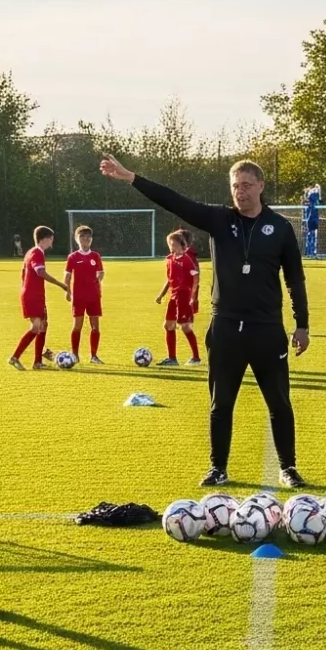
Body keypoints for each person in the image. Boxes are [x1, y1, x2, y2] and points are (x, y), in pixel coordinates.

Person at [99, 154, 309, 488]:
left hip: (267, 331)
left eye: (246, 185)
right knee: (220, 403)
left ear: (261, 186)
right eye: (235, 186)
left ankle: (289, 467)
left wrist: (302, 323)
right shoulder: (219, 220)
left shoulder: (281, 228)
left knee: (279, 402)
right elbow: (174, 200)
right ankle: (218, 468)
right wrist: (130, 177)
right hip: (226, 329)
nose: (240, 192)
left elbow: (295, 279)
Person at [12, 226, 67, 369]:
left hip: (32, 294)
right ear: (46, 238)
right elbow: (40, 272)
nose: (52, 242)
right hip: (32, 295)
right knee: (36, 327)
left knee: (43, 326)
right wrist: (61, 284)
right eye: (51, 239)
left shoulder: (31, 252)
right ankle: (15, 357)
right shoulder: (37, 253)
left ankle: (37, 362)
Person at [154, 227, 202, 365]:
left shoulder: (187, 260)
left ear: (182, 245)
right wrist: (161, 295)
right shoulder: (170, 259)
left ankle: (196, 357)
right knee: (168, 325)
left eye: (174, 244)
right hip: (173, 296)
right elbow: (170, 279)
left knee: (185, 326)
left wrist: (192, 296)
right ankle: (172, 358)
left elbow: (196, 277)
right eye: (170, 244)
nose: (171, 246)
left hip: (183, 296)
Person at [65, 226, 106, 363]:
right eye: (83, 236)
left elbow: (101, 272)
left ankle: (94, 356)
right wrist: (67, 291)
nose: (86, 239)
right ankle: (75, 355)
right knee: (78, 325)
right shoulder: (73, 257)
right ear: (77, 239)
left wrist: (98, 277)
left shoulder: (95, 256)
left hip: (94, 295)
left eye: (89, 236)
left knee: (95, 326)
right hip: (79, 296)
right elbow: (68, 275)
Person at [302, 183, 322, 260]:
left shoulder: (313, 200)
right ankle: (310, 253)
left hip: (313, 219)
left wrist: (319, 189)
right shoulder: (310, 198)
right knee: (310, 235)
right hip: (311, 220)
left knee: (313, 236)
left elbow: (319, 199)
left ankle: (312, 253)